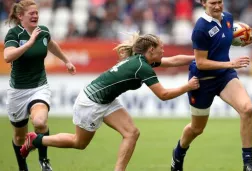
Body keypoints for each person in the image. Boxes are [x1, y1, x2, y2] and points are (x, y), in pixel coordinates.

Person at [20, 32, 200, 171]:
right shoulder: (142, 67)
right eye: (161, 47)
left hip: (105, 100)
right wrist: (188, 86)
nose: (163, 51)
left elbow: (175, 60)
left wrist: (198, 58)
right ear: (151, 50)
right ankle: (36, 140)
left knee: (132, 133)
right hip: (91, 103)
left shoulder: (142, 61)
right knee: (79, 143)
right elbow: (164, 95)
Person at [170, 0, 252, 171]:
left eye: (220, 2)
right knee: (197, 129)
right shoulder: (200, 28)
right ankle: (178, 153)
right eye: (213, 3)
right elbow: (201, 63)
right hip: (202, 81)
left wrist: (246, 37)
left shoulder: (228, 18)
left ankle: (248, 162)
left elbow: (228, 37)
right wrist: (229, 64)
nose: (217, 6)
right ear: (203, 3)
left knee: (247, 109)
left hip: (224, 77)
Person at [3, 0, 76, 171]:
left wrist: (66, 61)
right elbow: (7, 56)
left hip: (39, 87)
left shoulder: (43, 31)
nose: (36, 16)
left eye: (37, 13)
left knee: (40, 122)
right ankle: (23, 167)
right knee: (19, 138)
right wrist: (28, 44)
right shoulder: (14, 34)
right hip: (18, 92)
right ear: (21, 16)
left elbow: (51, 45)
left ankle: (44, 161)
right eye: (31, 13)